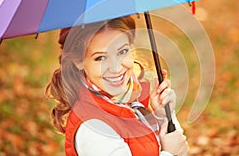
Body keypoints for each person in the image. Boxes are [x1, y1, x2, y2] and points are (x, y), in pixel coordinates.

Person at [45, 16, 189, 156]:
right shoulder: (94, 128)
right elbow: (174, 150)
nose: (116, 68)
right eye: (100, 58)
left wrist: (164, 116)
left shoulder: (135, 103)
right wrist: (170, 153)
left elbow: (178, 147)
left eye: (122, 51)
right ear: (79, 61)